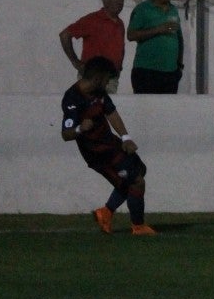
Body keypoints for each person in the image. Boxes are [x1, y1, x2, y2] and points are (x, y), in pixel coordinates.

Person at [60, 56, 156, 236]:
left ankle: (106, 212)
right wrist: (80, 128)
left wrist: (125, 138)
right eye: (106, 79)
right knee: (135, 182)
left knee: (139, 170)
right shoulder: (72, 98)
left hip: (111, 144)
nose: (107, 83)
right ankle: (138, 226)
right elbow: (65, 134)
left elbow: (111, 113)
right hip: (98, 154)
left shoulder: (99, 93)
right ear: (98, 78)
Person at [59, 0, 126, 93]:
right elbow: (65, 35)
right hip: (91, 78)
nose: (119, 2)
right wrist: (76, 63)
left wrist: (119, 68)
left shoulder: (120, 24)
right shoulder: (93, 20)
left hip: (111, 79)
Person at [127, 0, 183, 94]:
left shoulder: (173, 10)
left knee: (167, 106)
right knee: (146, 105)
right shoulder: (142, 9)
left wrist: (179, 65)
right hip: (146, 71)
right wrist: (158, 29)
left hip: (170, 73)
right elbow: (131, 35)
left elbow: (179, 38)